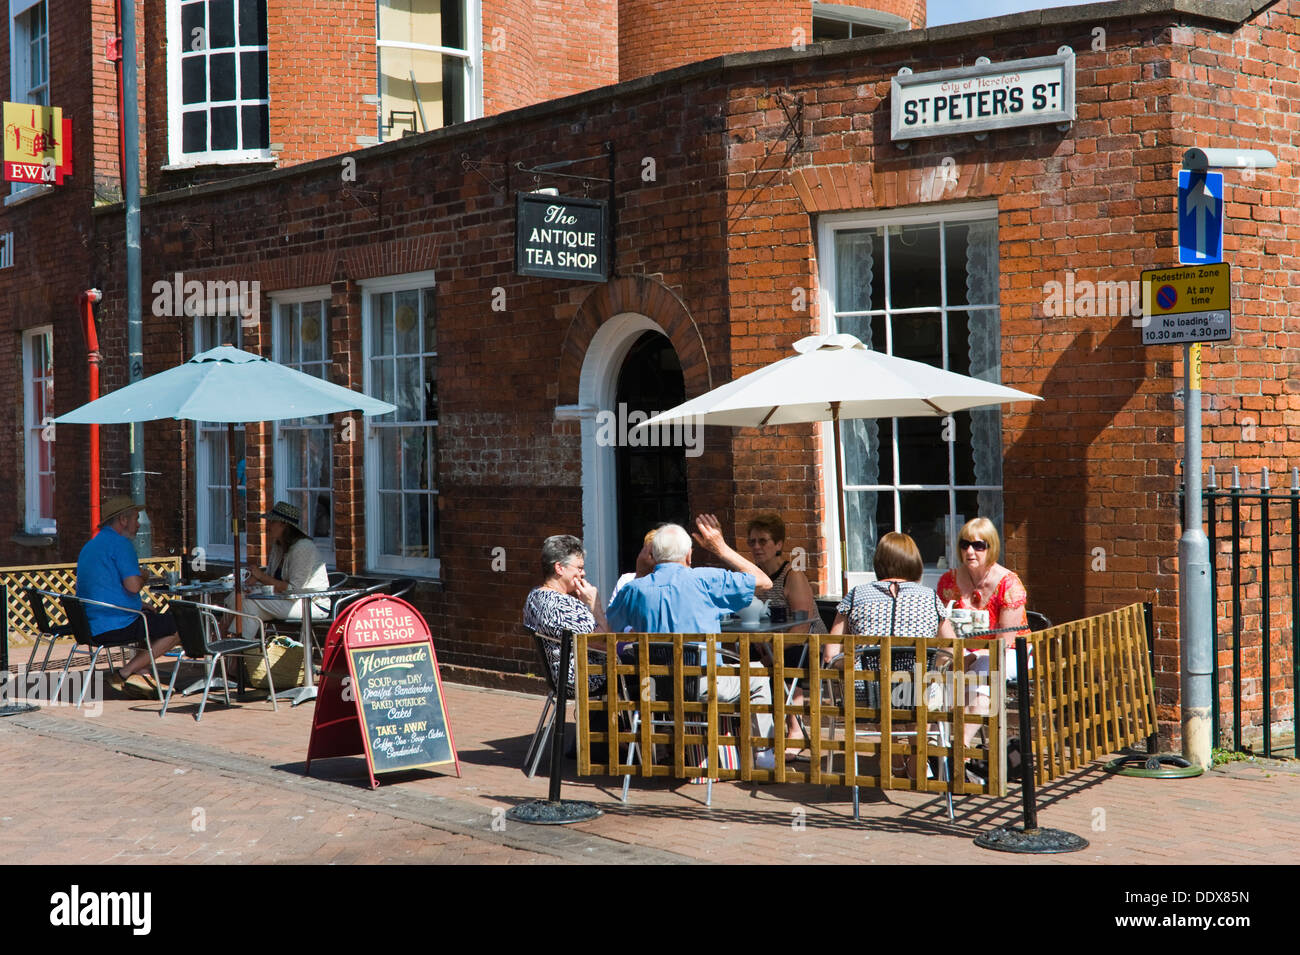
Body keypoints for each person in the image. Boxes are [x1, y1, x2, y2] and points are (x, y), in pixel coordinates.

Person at [607, 516, 778, 768]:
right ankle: (763, 754)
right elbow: (764, 581)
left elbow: (609, 627)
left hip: (651, 688)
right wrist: (720, 548)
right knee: (758, 675)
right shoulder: (705, 580)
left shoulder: (634, 589)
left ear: (653, 555)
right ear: (688, 555)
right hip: (701, 687)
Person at [827, 531, 956, 777]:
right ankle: (918, 757)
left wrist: (849, 668)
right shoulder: (929, 597)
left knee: (877, 683)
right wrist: (933, 666)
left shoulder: (855, 595)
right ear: (914, 561)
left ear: (879, 562)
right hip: (917, 694)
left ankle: (893, 755)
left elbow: (830, 654)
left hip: (867, 695)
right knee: (924, 683)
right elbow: (951, 648)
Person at [936, 517, 1029, 777]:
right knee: (935, 676)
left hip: (1009, 653)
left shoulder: (1009, 584)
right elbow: (941, 627)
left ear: (992, 547)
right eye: (964, 544)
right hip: (962, 652)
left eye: (978, 545)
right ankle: (929, 752)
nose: (970, 551)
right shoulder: (948, 581)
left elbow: (1005, 641)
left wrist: (971, 656)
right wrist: (957, 655)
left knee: (982, 673)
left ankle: (959, 749)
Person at [75, 496, 180, 698]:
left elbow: (103, 586)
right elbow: (133, 586)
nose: (139, 524)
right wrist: (144, 575)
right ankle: (124, 673)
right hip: (113, 624)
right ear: (123, 520)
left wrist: (138, 604)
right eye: (135, 518)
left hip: (89, 624)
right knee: (179, 626)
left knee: (149, 619)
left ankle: (141, 674)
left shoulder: (91, 546)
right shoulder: (121, 544)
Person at [744, 511, 828, 758]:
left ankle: (796, 731)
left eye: (763, 541)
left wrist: (772, 651)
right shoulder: (755, 578)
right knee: (742, 659)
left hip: (807, 644)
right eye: (752, 541)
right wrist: (761, 645)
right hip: (771, 643)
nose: (756, 547)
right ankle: (759, 732)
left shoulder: (793, 576)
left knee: (786, 662)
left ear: (778, 544)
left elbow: (802, 628)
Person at [226, 501, 329, 639]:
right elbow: (270, 578)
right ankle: (237, 647)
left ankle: (229, 644)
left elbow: (294, 590)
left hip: (309, 604)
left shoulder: (303, 547)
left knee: (247, 601)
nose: (268, 525)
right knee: (240, 598)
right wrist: (255, 582)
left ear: (283, 524)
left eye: (272, 521)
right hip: (284, 599)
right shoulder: (278, 545)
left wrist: (261, 577)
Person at [522, 535, 609, 697]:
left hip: (559, 679)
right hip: (585, 678)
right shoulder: (564, 605)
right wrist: (595, 605)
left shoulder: (534, 597)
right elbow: (605, 644)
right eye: (579, 568)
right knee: (641, 668)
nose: (583, 573)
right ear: (559, 568)